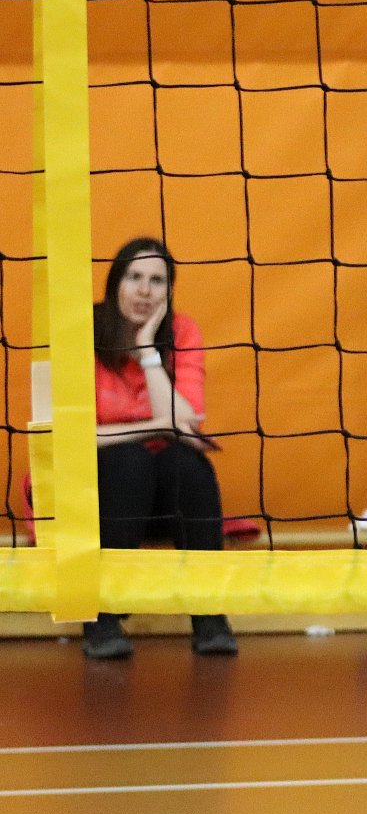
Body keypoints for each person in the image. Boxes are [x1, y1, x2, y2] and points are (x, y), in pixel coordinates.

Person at [87, 238, 237, 660]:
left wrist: (149, 354)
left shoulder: (182, 332)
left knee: (185, 463)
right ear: (114, 284)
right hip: (100, 494)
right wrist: (155, 427)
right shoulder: (83, 330)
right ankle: (101, 616)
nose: (144, 291)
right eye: (133, 277)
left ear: (169, 291)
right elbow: (76, 437)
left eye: (156, 281)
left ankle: (208, 615)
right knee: (130, 460)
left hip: (163, 500)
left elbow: (187, 427)